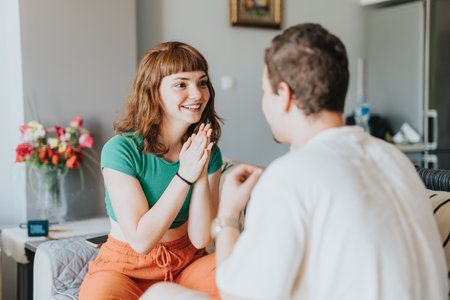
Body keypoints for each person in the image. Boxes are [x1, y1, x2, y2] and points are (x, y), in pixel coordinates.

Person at [144, 23, 448, 300]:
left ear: (284, 96)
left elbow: (237, 294)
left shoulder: (291, 177)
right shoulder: (394, 159)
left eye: (265, 92)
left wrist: (228, 216)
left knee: (158, 295)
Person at [78, 41, 223, 300]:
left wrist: (199, 168)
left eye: (202, 82)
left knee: (233, 282)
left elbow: (201, 239)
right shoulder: (120, 150)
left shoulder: (207, 151)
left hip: (187, 261)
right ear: (154, 92)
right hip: (125, 267)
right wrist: (185, 175)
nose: (198, 94)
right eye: (181, 84)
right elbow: (142, 241)